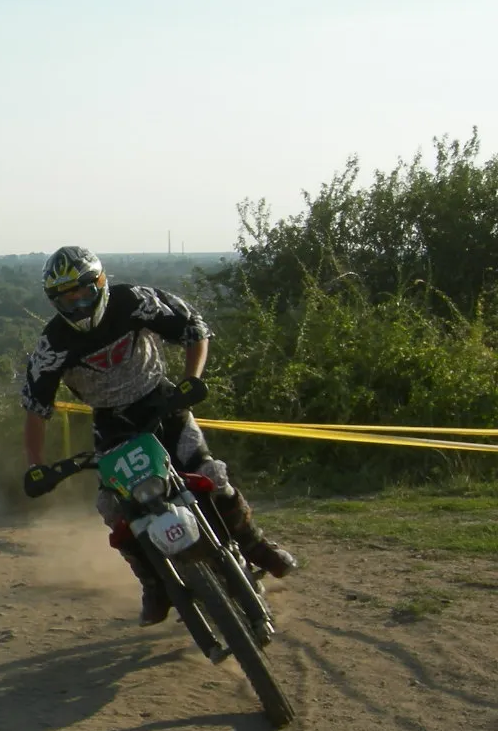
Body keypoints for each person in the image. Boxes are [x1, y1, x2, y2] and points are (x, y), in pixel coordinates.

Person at [20, 246, 297, 625]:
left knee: (210, 475)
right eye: (66, 299)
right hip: (113, 426)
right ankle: (154, 583)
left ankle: (255, 544)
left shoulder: (134, 301)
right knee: (113, 508)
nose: (78, 304)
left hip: (162, 405)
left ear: (101, 283)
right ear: (54, 302)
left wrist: (192, 379)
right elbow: (35, 410)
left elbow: (192, 327)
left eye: (84, 292)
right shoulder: (51, 346)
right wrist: (36, 466)